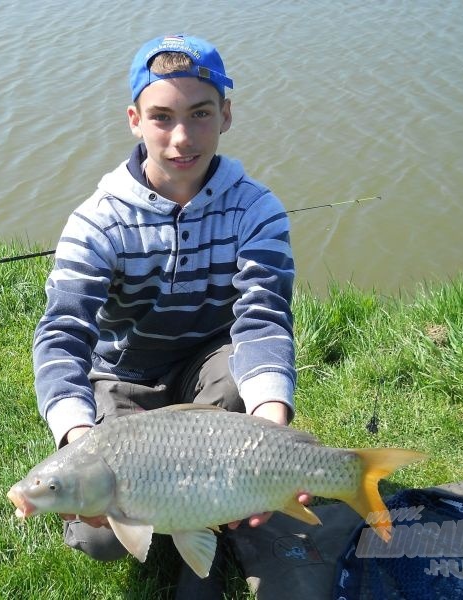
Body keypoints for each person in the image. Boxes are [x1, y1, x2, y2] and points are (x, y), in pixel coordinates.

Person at [32, 33, 305, 596]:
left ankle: (213, 522)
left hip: (212, 369)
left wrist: (271, 431)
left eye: (200, 114)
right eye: (162, 117)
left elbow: (262, 321)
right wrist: (79, 443)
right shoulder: (96, 222)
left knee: (240, 385)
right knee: (98, 537)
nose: (182, 137)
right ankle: (206, 510)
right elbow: (62, 337)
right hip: (125, 377)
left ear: (226, 115)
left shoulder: (259, 211)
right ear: (134, 119)